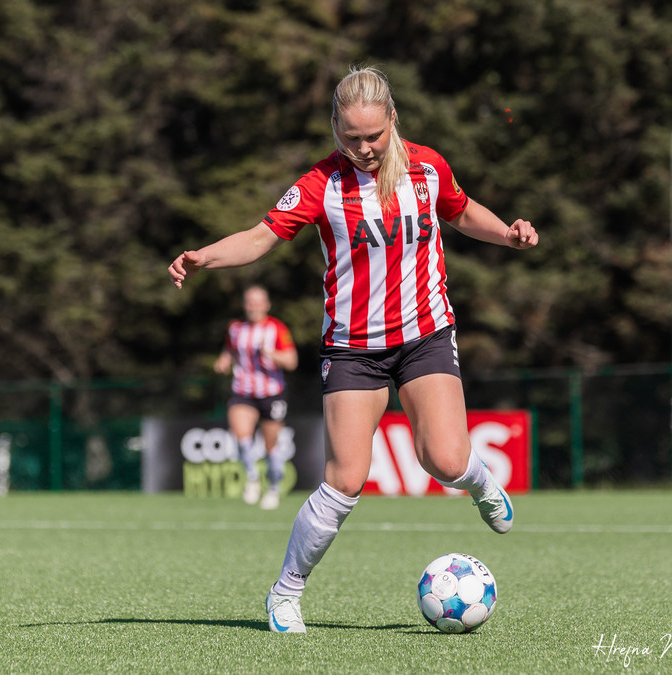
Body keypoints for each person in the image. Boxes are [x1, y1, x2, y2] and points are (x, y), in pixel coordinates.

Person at [169, 66, 539, 634]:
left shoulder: (427, 166)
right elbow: (261, 236)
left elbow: (462, 211)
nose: (363, 148)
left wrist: (507, 234)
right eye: (351, 137)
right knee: (344, 479)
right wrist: (204, 257)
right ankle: (285, 593)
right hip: (353, 349)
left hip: (424, 334)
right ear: (335, 128)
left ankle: (480, 481)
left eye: (374, 136)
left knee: (444, 461)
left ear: (394, 120)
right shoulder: (320, 183)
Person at [214, 284, 298, 510]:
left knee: (271, 446)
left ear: (267, 305)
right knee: (241, 438)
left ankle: (273, 487)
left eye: (258, 302)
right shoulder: (235, 328)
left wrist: (270, 353)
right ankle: (252, 478)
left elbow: (292, 361)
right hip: (243, 392)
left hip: (272, 393)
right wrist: (224, 361)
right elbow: (229, 350)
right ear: (245, 305)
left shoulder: (277, 329)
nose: (254, 307)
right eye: (250, 302)